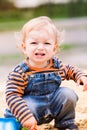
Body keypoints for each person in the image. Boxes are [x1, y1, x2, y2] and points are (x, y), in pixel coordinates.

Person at [4, 16, 87, 130]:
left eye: (47, 43)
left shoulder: (56, 65)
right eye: (34, 43)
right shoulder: (20, 72)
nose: (40, 47)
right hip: (28, 113)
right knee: (28, 105)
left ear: (54, 49)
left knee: (68, 94)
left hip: (50, 107)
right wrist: (26, 116)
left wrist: (80, 76)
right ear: (24, 48)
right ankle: (24, 125)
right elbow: (11, 95)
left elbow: (70, 70)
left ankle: (65, 124)